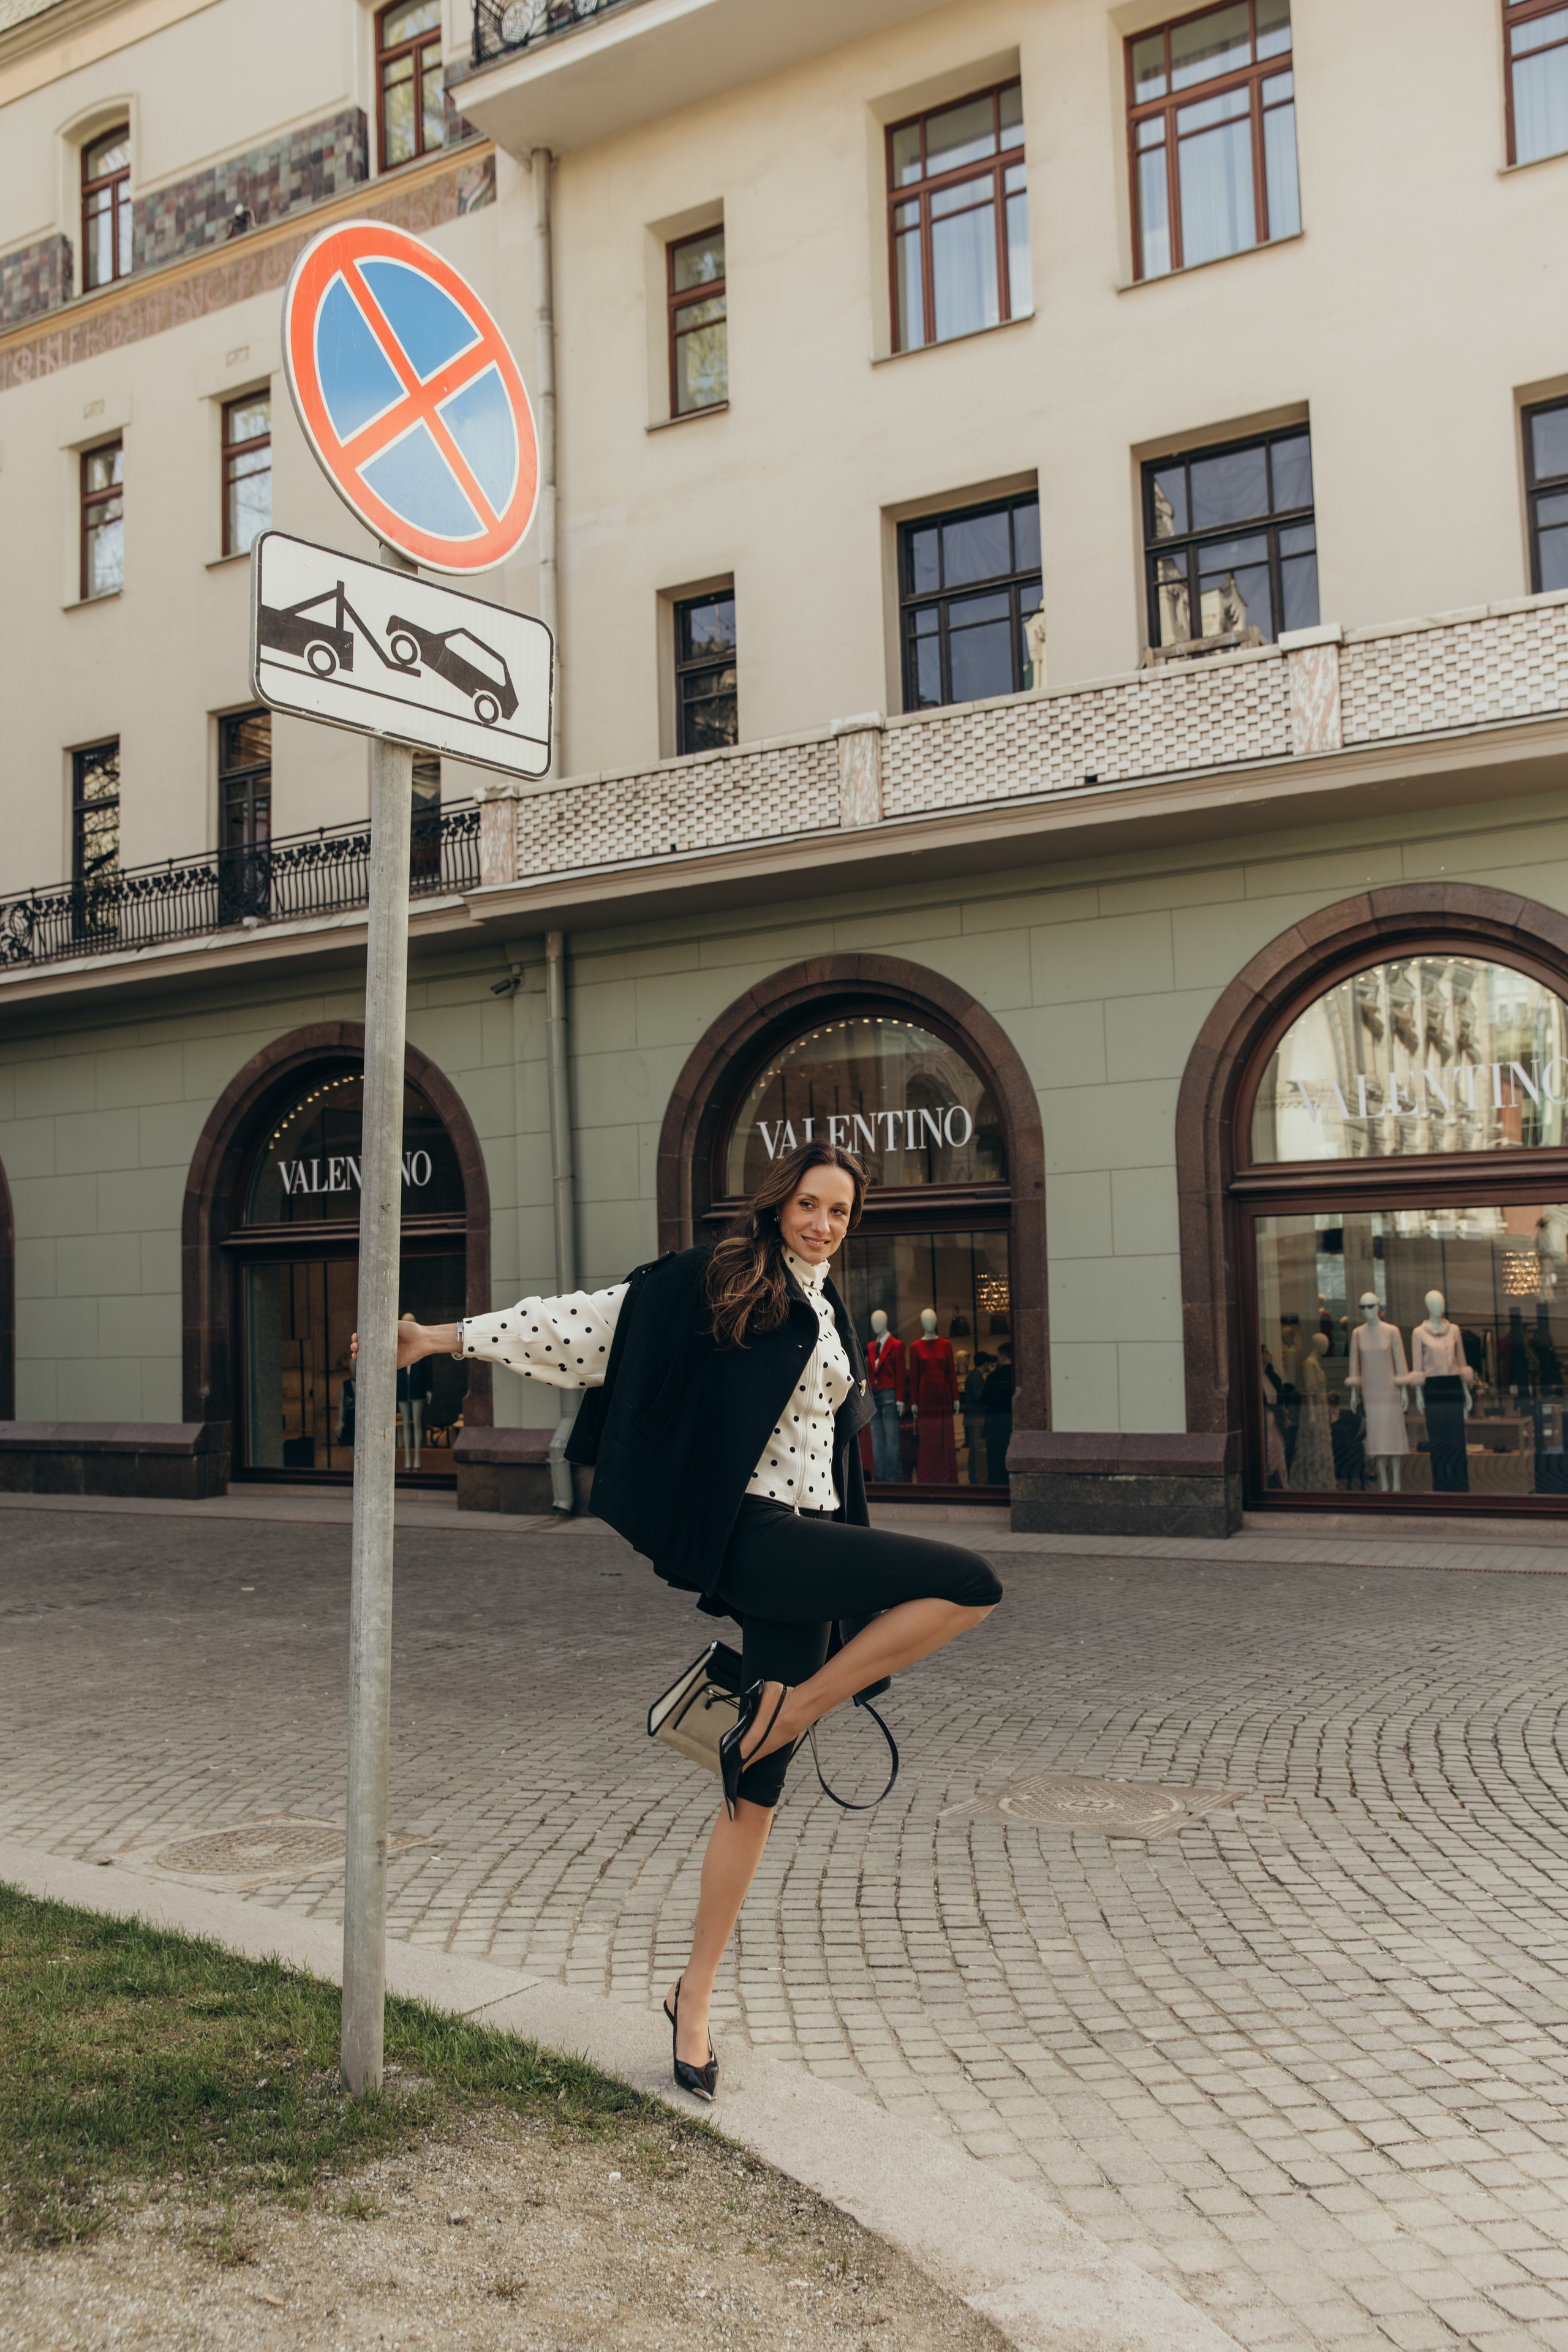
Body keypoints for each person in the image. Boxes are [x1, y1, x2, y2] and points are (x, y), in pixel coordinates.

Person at [359, 1140, 1001, 2104]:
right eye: (811, 1204)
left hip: (813, 1540)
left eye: (841, 1211)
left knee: (755, 1793)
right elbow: (588, 1326)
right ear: (780, 1202)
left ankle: (689, 1995)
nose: (824, 1222)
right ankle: (790, 1710)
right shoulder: (719, 1278)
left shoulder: (829, 1307)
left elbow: (838, 1454)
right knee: (972, 1582)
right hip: (753, 1530)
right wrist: (440, 1339)